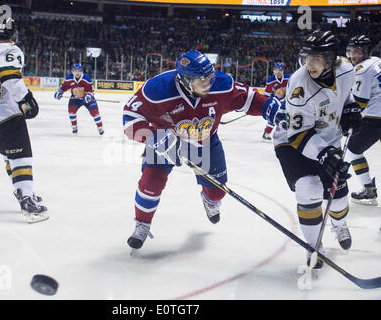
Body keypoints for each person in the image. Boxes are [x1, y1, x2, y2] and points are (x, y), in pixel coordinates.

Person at [122, 50, 285, 250]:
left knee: (217, 193)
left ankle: (209, 200)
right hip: (165, 141)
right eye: (202, 81)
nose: (208, 84)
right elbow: (130, 118)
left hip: (205, 143)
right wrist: (155, 138)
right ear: (185, 80)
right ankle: (142, 224)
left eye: (210, 78)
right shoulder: (157, 89)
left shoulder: (221, 84)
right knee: (150, 183)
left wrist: (268, 106)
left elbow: (249, 98)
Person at [273, 30, 363, 268]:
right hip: (292, 141)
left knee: (339, 197)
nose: (309, 64)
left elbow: (344, 97)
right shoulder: (299, 85)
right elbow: (298, 133)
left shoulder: (345, 69)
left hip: (329, 138)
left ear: (332, 59)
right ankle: (314, 246)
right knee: (309, 189)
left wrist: (351, 108)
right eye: (307, 57)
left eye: (316, 58)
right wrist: (324, 155)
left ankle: (339, 223)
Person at [0, 16, 48, 223]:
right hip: (3, 114)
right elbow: (9, 76)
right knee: (22, 156)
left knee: (9, 155)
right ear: (14, 34)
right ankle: (27, 199)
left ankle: (21, 189)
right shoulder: (10, 50)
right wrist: (26, 99)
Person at [345, 35, 380, 206]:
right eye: (351, 51)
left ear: (365, 52)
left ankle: (368, 188)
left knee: (352, 150)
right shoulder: (377, 61)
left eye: (357, 51)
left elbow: (360, 103)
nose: (353, 55)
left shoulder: (362, 69)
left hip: (375, 118)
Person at [54, 64, 104, 135]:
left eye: (79, 71)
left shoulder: (86, 78)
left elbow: (91, 91)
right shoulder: (69, 78)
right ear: (72, 71)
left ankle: (100, 127)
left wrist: (89, 96)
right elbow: (63, 87)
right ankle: (74, 127)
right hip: (75, 98)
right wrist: (59, 92)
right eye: (75, 71)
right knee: (71, 111)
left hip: (86, 97)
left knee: (94, 112)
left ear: (82, 71)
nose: (77, 73)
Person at [262, 62, 290, 142]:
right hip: (276, 102)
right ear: (274, 71)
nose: (279, 72)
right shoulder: (270, 81)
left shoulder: (289, 78)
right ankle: (266, 133)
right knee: (274, 118)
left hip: (288, 101)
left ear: (283, 71)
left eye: (280, 70)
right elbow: (267, 94)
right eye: (277, 70)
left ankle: (289, 135)